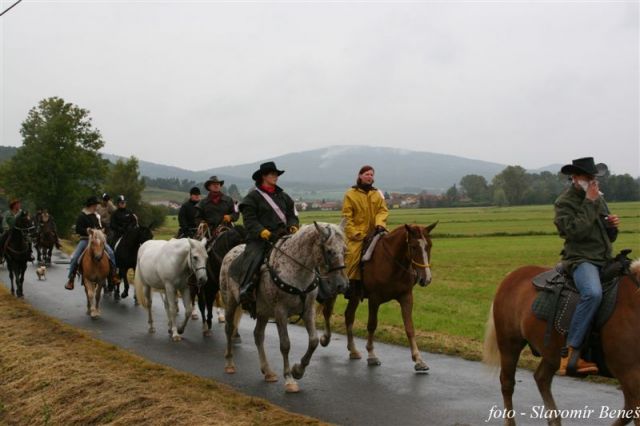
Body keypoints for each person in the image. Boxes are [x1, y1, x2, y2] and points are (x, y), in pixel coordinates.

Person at [554, 157, 620, 376]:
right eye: (587, 177)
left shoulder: (598, 199)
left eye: (594, 177)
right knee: (592, 293)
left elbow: (609, 236)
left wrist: (612, 226)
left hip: (604, 258)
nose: (592, 181)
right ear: (575, 178)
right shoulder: (564, 202)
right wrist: (590, 203)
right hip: (581, 259)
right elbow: (574, 232)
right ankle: (569, 353)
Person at [238, 162, 299, 305]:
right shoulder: (252, 197)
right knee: (254, 257)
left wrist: (293, 226)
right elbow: (250, 220)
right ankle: (246, 289)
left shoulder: (284, 196)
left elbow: (292, 215)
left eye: (276, 174)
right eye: (272, 174)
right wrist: (263, 232)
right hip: (260, 239)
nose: (275, 177)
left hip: (284, 235)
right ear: (263, 176)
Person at [342, 165, 389, 298]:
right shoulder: (350, 194)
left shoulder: (377, 193)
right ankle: (350, 285)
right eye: (367, 174)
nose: (370, 177)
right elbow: (347, 216)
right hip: (357, 234)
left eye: (371, 175)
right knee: (352, 255)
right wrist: (355, 233)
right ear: (360, 176)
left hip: (376, 231)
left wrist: (380, 224)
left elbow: (383, 210)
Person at [65, 196, 120, 290]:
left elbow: (99, 226)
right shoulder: (82, 216)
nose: (96, 207)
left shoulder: (96, 216)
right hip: (85, 239)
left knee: (110, 252)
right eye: (95, 205)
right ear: (91, 205)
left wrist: (101, 231)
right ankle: (71, 279)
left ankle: (113, 275)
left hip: (97, 240)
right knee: (75, 257)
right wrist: (87, 231)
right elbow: (78, 229)